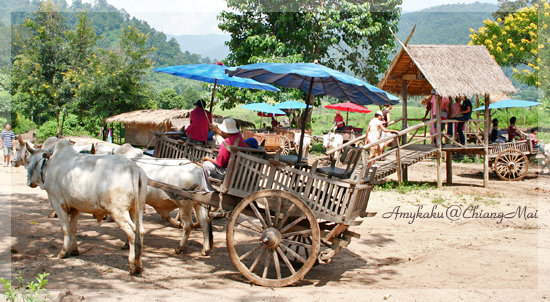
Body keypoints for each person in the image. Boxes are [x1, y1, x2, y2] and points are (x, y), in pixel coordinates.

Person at [202, 118, 246, 193]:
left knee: (206, 165)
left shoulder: (226, 144)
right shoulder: (239, 136)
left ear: (226, 131)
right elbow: (227, 136)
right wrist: (216, 130)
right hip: (239, 169)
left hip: (228, 171)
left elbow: (220, 163)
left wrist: (208, 159)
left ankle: (207, 190)